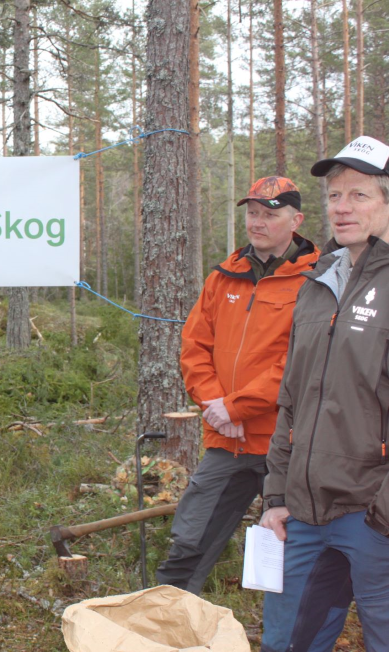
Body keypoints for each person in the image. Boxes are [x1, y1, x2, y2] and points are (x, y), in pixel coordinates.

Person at [156, 177, 319, 594]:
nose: (258, 223)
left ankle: (285, 634)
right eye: (252, 213)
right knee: (189, 538)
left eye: (270, 214)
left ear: (295, 219)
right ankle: (165, 618)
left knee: (296, 549)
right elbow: (194, 344)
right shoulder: (224, 276)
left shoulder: (316, 281)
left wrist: (237, 407)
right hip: (228, 438)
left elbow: (301, 361)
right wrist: (215, 405)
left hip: (291, 442)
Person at [260, 136, 389, 652]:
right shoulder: (318, 283)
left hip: (372, 514)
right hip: (303, 514)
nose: (341, 207)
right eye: (334, 196)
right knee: (288, 641)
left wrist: (382, 514)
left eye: (358, 195)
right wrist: (275, 495)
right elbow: (291, 397)